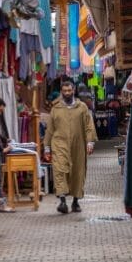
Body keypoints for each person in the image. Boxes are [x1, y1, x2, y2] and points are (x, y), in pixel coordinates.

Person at [43, 79, 97, 214]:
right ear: (61, 92)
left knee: (77, 172)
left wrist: (90, 142)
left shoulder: (82, 107)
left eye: (69, 90)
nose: (67, 93)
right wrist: (47, 147)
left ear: (73, 91)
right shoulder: (56, 109)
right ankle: (62, 201)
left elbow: (89, 126)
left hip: (78, 146)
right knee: (59, 170)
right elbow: (50, 129)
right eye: (64, 91)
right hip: (59, 144)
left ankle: (75, 201)